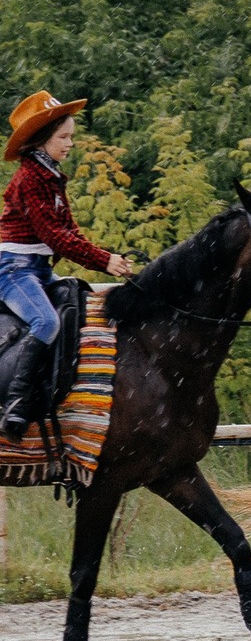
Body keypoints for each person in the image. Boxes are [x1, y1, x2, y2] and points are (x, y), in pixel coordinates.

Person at [0, 92, 137, 437]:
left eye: (71, 136)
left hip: (39, 269)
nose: (70, 144)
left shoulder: (50, 177)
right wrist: (104, 261)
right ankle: (15, 403)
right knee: (46, 322)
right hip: (14, 269)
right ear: (41, 140)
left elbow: (69, 230)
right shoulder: (30, 180)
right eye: (64, 137)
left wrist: (110, 257)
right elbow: (56, 237)